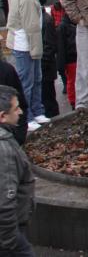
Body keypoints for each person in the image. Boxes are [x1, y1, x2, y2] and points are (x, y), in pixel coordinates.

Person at [5, 0, 49, 132]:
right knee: (29, 81)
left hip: (21, 41)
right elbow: (31, 26)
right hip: (27, 43)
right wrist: (36, 49)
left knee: (34, 79)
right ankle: (29, 115)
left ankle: (36, 111)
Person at [0, 86, 35, 256]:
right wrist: (11, 241)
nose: (20, 112)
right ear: (2, 116)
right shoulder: (4, 150)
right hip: (9, 237)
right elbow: (5, 202)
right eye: (16, 108)